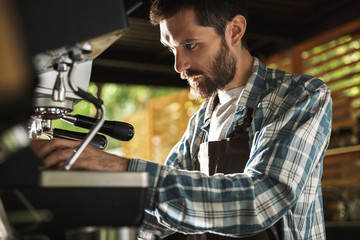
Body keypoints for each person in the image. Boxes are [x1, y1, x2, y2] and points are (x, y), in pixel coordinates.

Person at [35, 0, 332, 239]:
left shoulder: (301, 96)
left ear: (235, 31)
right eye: (171, 49)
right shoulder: (201, 121)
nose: (179, 66)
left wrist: (118, 166)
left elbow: (258, 202)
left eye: (190, 45)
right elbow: (159, 217)